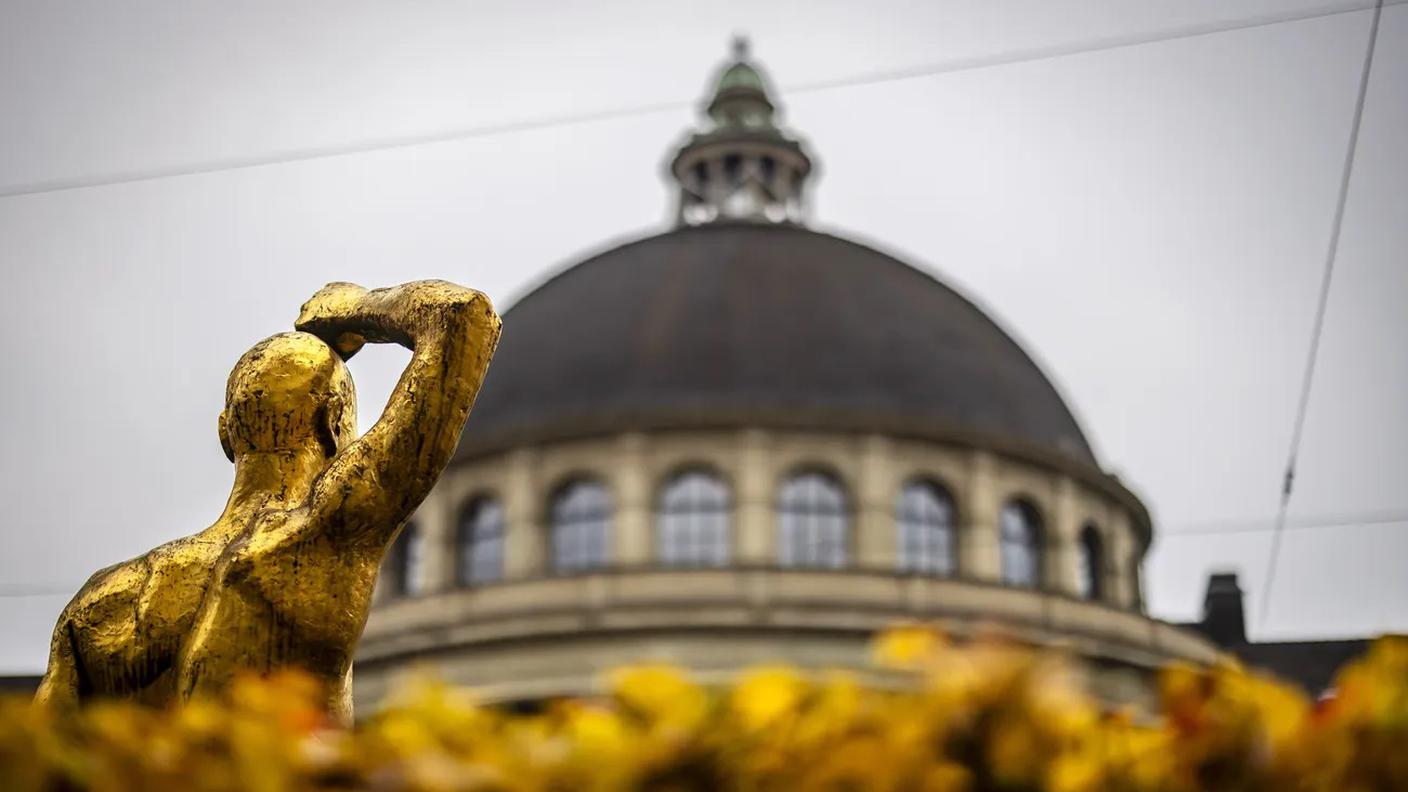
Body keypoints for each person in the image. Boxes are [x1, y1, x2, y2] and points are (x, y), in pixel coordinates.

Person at [35, 281, 500, 721]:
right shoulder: (317, 536)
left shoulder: (102, 603)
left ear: (225, 434)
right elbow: (461, 315)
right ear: (335, 423)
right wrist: (356, 307)